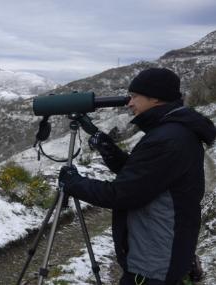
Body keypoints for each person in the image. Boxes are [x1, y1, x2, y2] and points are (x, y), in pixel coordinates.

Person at [59, 68, 216, 285]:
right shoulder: (175, 132)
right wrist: (106, 146)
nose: (130, 103)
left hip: (153, 264)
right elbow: (143, 177)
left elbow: (121, 194)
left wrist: (74, 183)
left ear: (154, 98)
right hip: (164, 251)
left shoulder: (167, 139)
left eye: (134, 97)